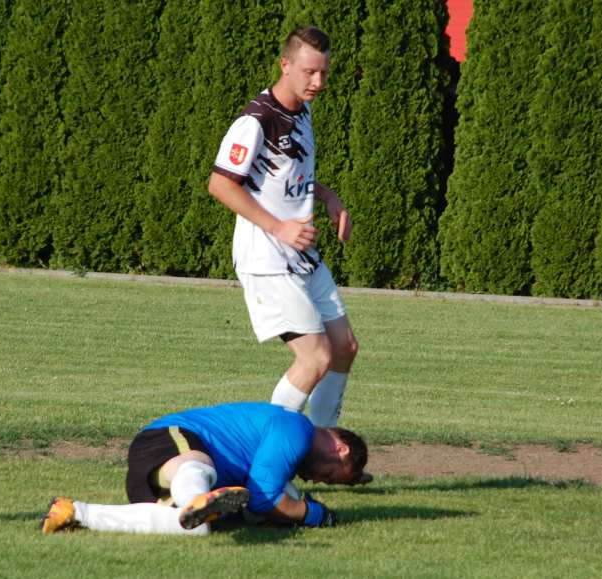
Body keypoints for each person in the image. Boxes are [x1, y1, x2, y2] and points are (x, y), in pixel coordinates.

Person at [208, 26, 359, 434]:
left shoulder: (303, 112)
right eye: (310, 72)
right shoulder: (256, 121)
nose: (319, 82)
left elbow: (289, 177)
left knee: (343, 348)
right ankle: (265, 453)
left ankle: (324, 449)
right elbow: (220, 184)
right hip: (267, 256)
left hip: (301, 254)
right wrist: (279, 227)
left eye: (324, 73)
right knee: (314, 359)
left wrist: (326, 197)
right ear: (285, 64)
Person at [41, 401, 368, 535]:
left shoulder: (294, 446)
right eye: (327, 475)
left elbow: (257, 501)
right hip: (172, 438)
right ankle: (196, 497)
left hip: (154, 472)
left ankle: (75, 512)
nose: (312, 478)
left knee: (195, 528)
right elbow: (264, 497)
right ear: (341, 449)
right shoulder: (298, 429)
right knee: (200, 469)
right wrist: (313, 514)